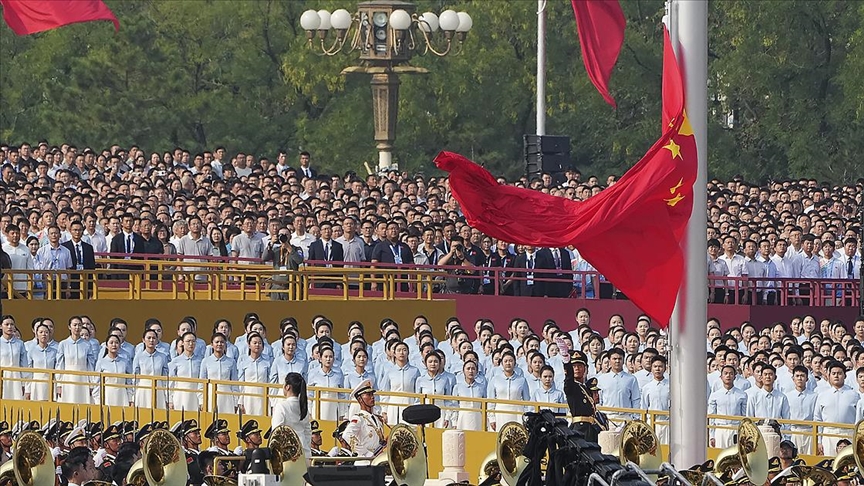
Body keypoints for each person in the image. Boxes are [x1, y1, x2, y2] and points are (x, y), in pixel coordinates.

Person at [342, 380, 387, 460]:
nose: (372, 397)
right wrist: (365, 452)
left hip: (376, 460)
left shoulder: (377, 418)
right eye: (368, 395)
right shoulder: (358, 418)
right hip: (364, 462)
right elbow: (347, 435)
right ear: (360, 399)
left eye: (372, 394)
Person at [271, 372, 312, 459]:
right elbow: (307, 432)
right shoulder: (303, 407)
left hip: (289, 456)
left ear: (287, 387)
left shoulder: (281, 406)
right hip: (305, 452)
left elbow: (276, 433)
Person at [0, 315, 27, 401]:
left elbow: (24, 364)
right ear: (1, 326)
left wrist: (24, 383)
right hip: (2, 376)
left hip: (16, 377)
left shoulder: (20, 343)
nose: (9, 327)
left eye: (12, 324)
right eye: (6, 324)